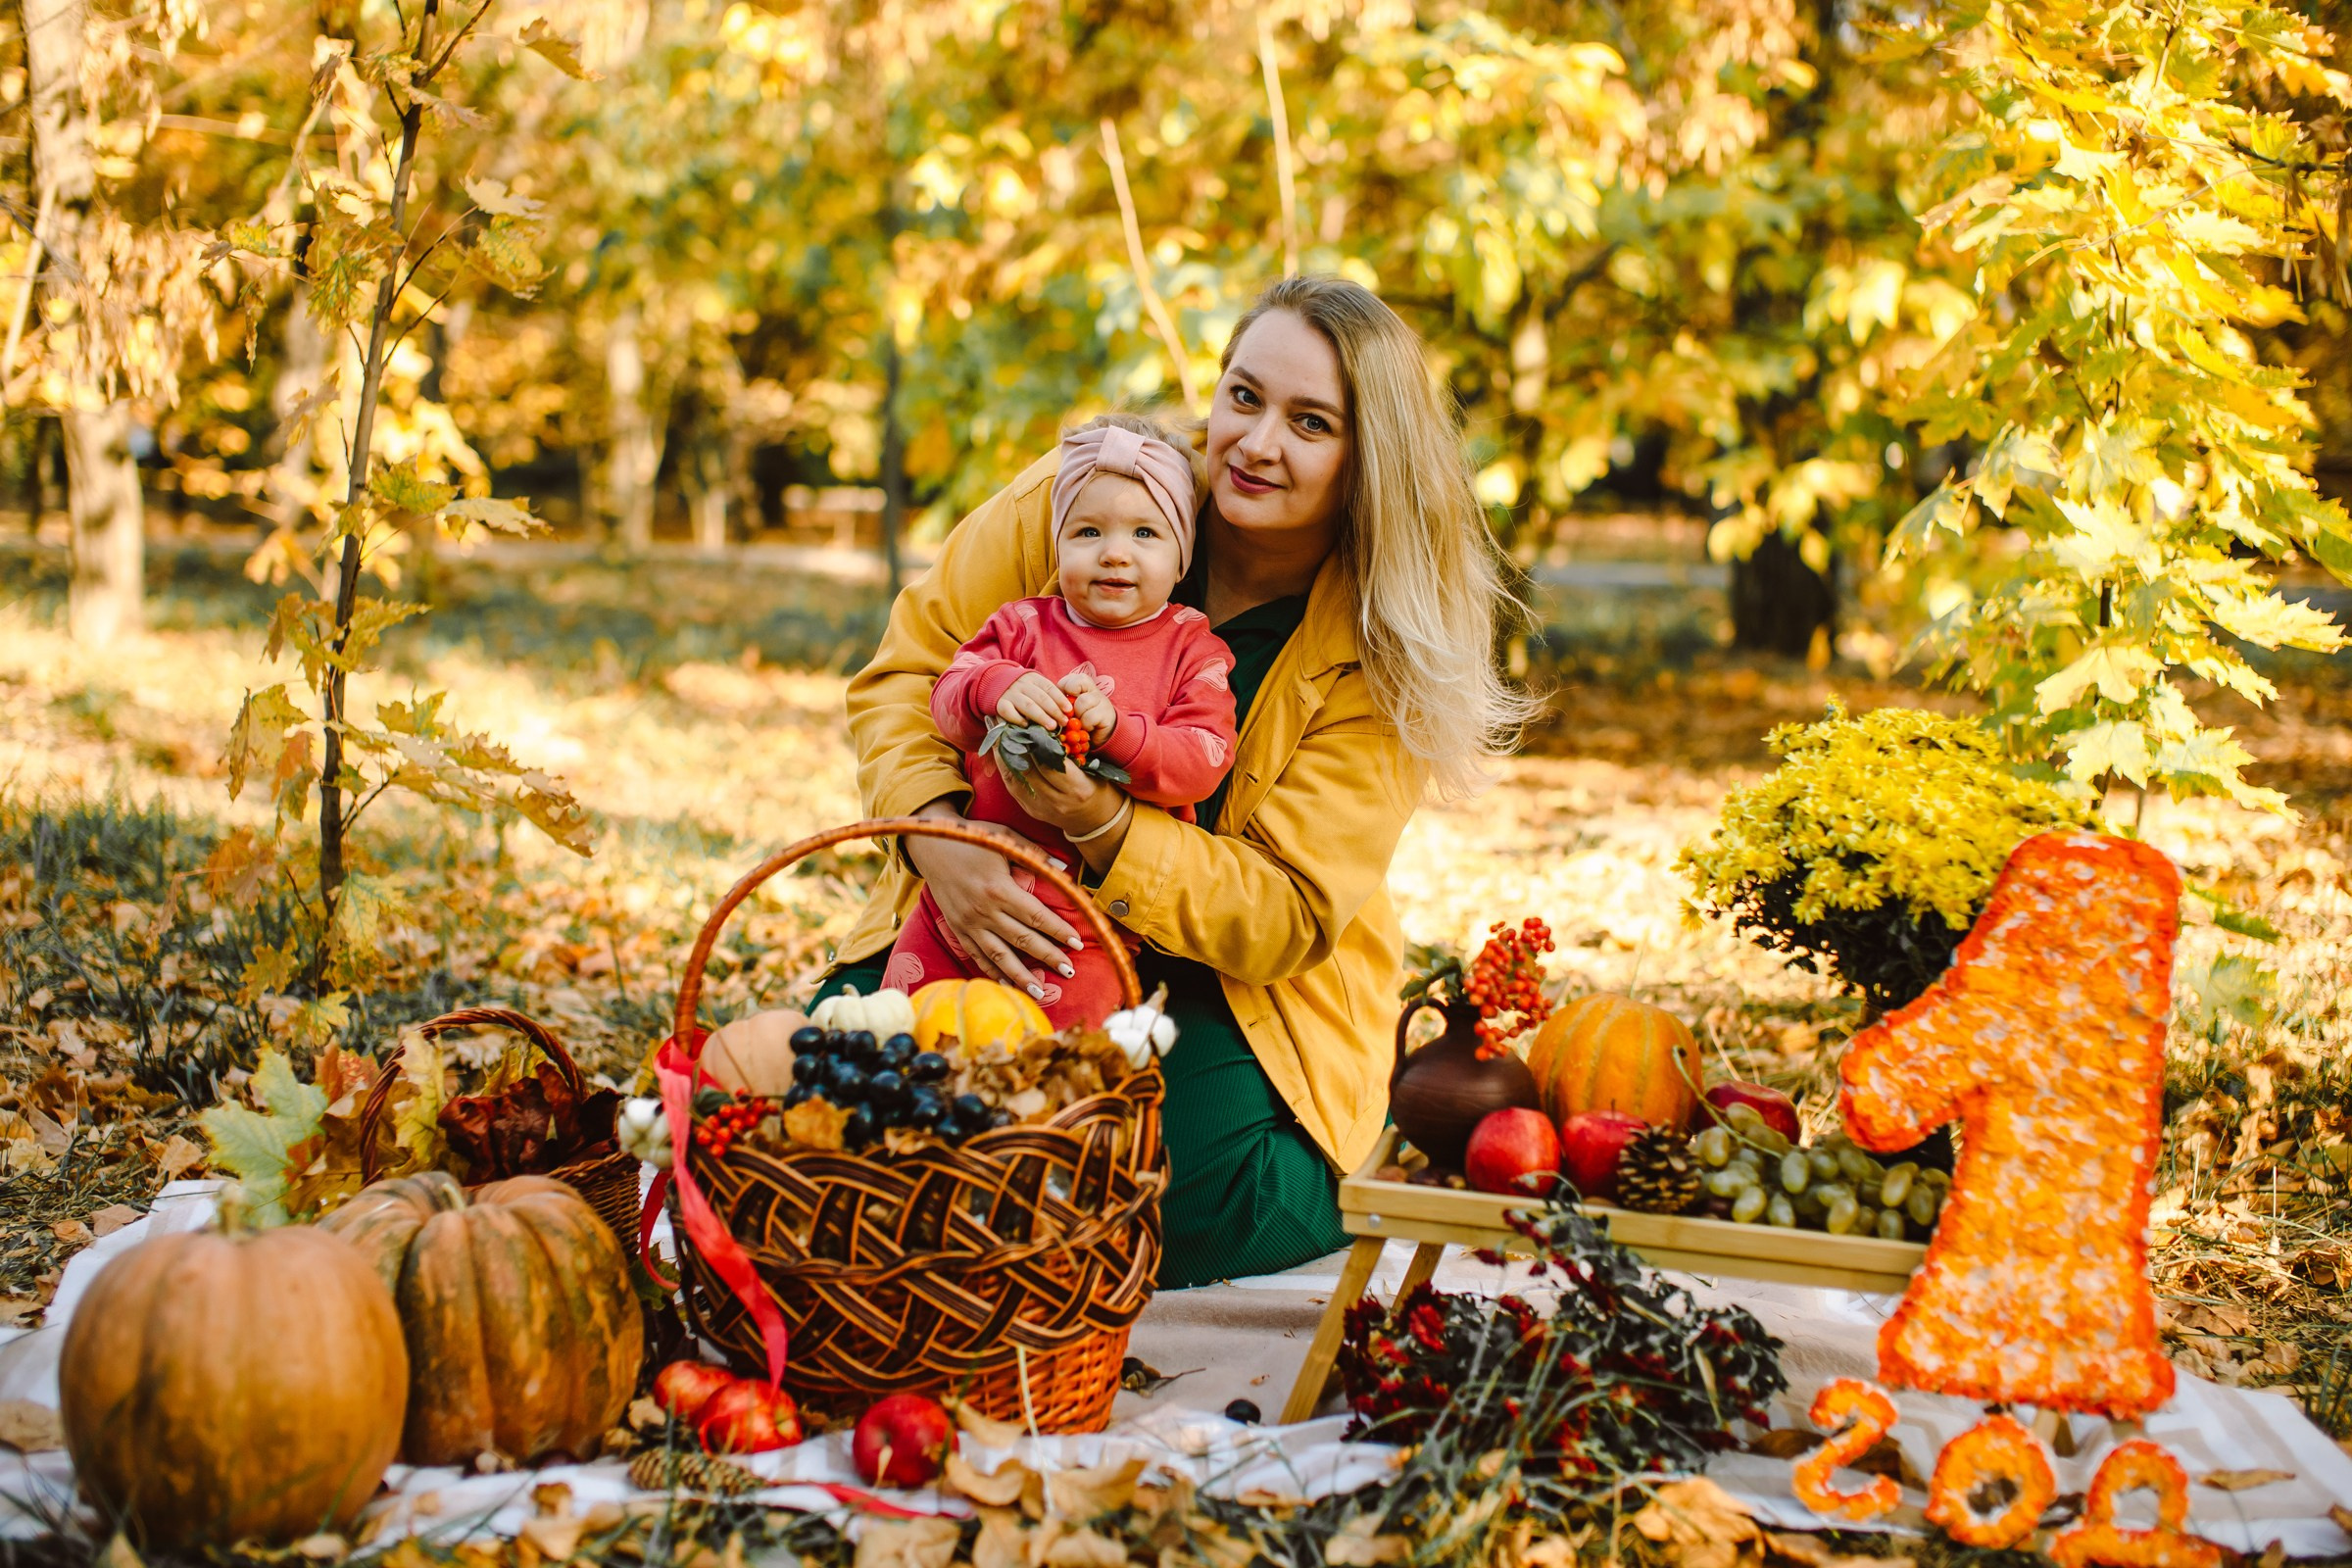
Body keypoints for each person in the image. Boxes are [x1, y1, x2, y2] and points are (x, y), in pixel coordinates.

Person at [822, 275, 1530, 1287]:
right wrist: (939, 837)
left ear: (1367, 459)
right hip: (985, 900)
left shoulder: (1381, 642)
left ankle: (1327, 1155)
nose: (1255, 443)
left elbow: (1283, 908)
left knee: (1150, 1186)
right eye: (1243, 397)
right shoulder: (1103, 493)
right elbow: (908, 671)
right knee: (830, 1097)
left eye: (1310, 422)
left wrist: (1108, 826)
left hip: (1230, 981)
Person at [880, 413, 1239, 1027]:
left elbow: (1202, 758)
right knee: (904, 1038)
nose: (1115, 554)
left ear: (1183, 557)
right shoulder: (1021, 625)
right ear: (1058, 542)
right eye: (1088, 531)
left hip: (1084, 927)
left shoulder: (1191, 650)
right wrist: (994, 686)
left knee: (1058, 1074)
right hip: (953, 906)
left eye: (1147, 534)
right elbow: (945, 700)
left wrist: (1122, 733)